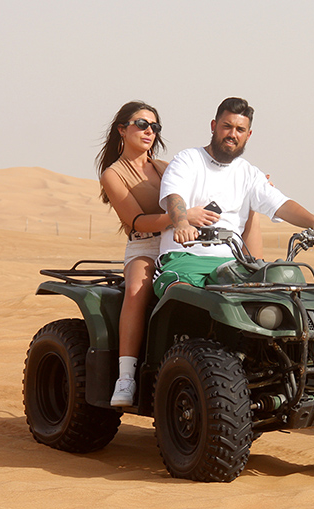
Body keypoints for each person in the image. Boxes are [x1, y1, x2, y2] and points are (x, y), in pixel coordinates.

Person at [96, 101, 261, 407]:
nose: (149, 132)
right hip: (145, 245)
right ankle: (126, 377)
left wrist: (253, 186)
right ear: (122, 129)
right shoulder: (113, 174)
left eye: (154, 127)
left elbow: (203, 184)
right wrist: (181, 218)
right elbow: (135, 221)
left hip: (185, 243)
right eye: (141, 124)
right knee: (136, 289)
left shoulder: (165, 166)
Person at [153, 96, 314, 299]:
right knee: (183, 296)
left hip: (231, 264)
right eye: (227, 126)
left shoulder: (248, 173)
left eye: (240, 130)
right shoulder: (188, 160)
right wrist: (182, 223)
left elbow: (280, 204)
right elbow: (175, 197)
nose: (232, 134)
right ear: (214, 126)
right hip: (184, 257)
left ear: (248, 135)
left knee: (276, 296)